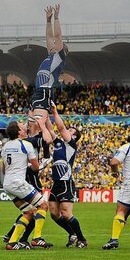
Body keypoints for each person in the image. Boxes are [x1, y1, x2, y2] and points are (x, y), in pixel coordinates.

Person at [41, 103, 87, 248]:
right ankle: (72, 233)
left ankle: (82, 239)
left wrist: (55, 112)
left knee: (66, 213)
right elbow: (50, 127)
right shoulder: (59, 143)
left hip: (66, 182)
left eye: (71, 130)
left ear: (74, 136)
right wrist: (44, 114)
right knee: (54, 213)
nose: (68, 129)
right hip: (56, 183)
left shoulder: (71, 144)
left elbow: (60, 128)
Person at [3, 116, 52, 248]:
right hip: (18, 182)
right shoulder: (26, 145)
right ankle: (37, 238)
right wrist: (42, 165)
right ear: (19, 131)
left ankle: (12, 242)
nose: (24, 126)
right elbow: (35, 168)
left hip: (7, 184)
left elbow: (3, 168)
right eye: (21, 125)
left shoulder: (5, 146)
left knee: (28, 212)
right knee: (43, 205)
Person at [30, 4, 67, 121]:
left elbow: (57, 36)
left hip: (45, 91)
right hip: (38, 91)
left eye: (55, 44)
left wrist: (56, 18)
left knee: (38, 124)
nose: (52, 44)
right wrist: (48, 20)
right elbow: (49, 37)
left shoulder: (59, 58)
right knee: (34, 125)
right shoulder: (50, 56)